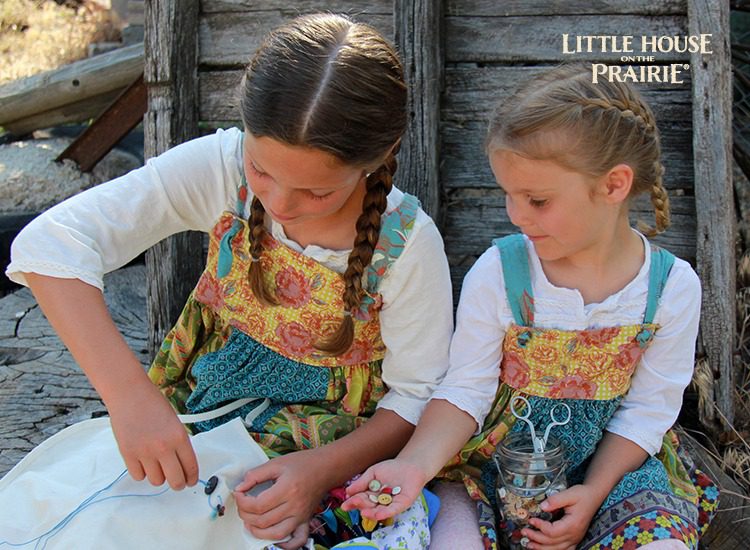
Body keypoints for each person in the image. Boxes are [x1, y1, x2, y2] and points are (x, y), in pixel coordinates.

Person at [6, 13, 454, 550]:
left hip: (306, 462)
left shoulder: (405, 245)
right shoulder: (222, 167)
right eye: (262, 170)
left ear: (378, 156)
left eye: (316, 193)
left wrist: (316, 473)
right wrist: (131, 400)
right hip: (189, 421)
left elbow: (415, 396)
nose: (281, 204)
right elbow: (51, 244)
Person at [342, 64, 719, 550]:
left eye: (537, 200)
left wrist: (591, 494)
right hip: (493, 468)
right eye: (509, 196)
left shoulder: (670, 288)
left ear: (613, 185)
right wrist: (412, 465)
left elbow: (647, 411)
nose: (516, 216)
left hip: (610, 470)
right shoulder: (501, 271)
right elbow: (466, 390)